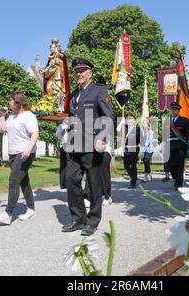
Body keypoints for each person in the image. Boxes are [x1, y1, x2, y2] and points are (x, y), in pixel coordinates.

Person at [62, 58, 113, 236]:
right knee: (71, 180)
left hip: (92, 146)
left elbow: (108, 115)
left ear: (90, 73)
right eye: (76, 71)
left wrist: (102, 137)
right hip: (74, 145)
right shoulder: (74, 94)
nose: (79, 73)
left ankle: (92, 221)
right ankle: (78, 218)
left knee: (93, 183)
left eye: (82, 70)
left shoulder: (99, 91)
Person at [0, 92, 39, 225]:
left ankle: (8, 213)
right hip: (13, 153)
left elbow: (35, 133)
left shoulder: (28, 116)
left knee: (14, 180)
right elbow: (2, 129)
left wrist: (28, 149)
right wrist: (1, 116)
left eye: (11, 101)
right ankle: (31, 209)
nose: (9, 103)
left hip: (24, 153)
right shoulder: (12, 116)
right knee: (24, 181)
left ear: (18, 102)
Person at [163, 102, 189, 190]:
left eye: (176, 109)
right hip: (170, 145)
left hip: (180, 145)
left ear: (179, 110)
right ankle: (176, 179)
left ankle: (178, 184)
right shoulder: (167, 120)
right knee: (170, 165)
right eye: (172, 109)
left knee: (179, 165)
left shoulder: (184, 120)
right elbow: (164, 133)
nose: (174, 111)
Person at [117, 113, 141, 188]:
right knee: (126, 166)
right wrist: (121, 123)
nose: (128, 120)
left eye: (130, 118)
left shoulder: (138, 129)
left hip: (134, 149)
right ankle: (134, 177)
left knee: (133, 165)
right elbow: (117, 131)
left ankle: (133, 182)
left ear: (134, 120)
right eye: (127, 118)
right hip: (126, 149)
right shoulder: (124, 128)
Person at [140, 118, 154, 183]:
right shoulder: (141, 132)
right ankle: (150, 175)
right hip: (143, 150)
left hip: (149, 150)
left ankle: (145, 176)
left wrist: (144, 145)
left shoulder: (150, 132)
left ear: (148, 125)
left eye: (145, 123)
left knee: (146, 161)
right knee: (146, 163)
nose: (144, 124)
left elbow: (149, 141)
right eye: (143, 123)